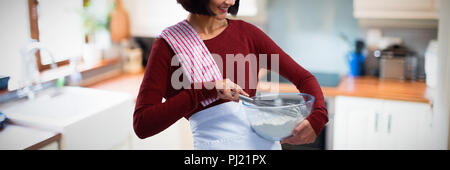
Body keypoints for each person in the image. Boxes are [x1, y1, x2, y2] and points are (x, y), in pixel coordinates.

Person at [133, 0, 328, 150]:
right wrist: (207, 90)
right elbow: (143, 124)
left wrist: (318, 118)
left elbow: (304, 78)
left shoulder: (247, 34)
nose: (231, 2)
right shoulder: (169, 46)